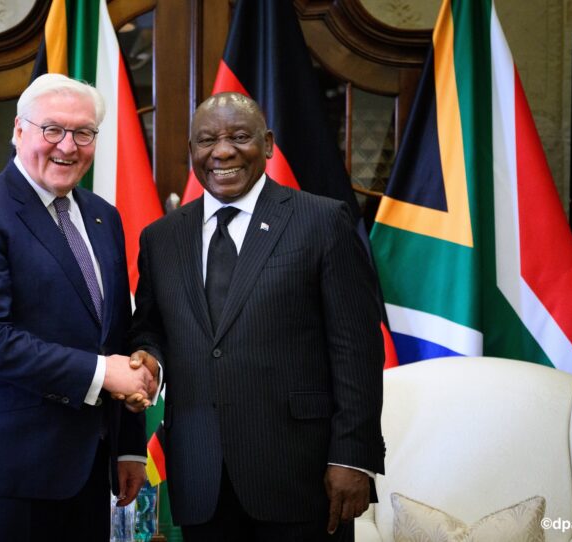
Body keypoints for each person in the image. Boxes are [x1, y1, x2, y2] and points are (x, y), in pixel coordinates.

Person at [128, 92, 385, 541]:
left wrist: (352, 456)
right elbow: (152, 327)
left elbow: (356, 349)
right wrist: (148, 358)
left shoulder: (321, 221)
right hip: (200, 474)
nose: (222, 151)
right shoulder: (161, 238)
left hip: (301, 476)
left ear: (267, 144)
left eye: (239, 137)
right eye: (207, 140)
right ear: (192, 153)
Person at [0, 73, 157, 541]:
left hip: (89, 465)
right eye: (52, 129)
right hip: (8, 467)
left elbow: (113, 334)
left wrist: (129, 448)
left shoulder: (101, 215)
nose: (68, 146)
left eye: (83, 133)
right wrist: (102, 374)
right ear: (19, 130)